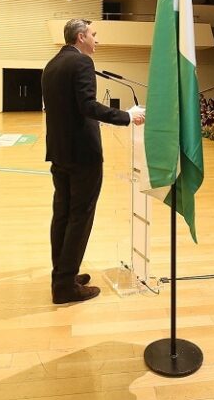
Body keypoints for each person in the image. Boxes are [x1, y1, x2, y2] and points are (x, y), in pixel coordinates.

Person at [42, 19, 144, 305]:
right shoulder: (82, 63)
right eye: (93, 34)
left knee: (62, 214)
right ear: (80, 36)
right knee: (80, 216)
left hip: (60, 152)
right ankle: (65, 286)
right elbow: (87, 105)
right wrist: (127, 116)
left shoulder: (52, 65)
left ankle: (61, 275)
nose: (96, 40)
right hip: (82, 154)